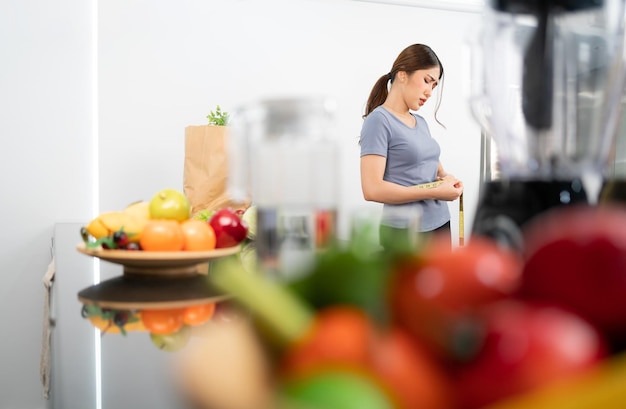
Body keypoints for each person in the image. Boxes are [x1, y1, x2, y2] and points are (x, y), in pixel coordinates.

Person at [359, 43, 463, 250]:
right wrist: (433, 192)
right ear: (403, 74)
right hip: (405, 231)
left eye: (434, 86)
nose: (430, 92)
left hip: (440, 222)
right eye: (427, 81)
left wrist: (447, 178)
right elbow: (372, 189)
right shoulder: (379, 121)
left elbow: (433, 167)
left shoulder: (420, 123)